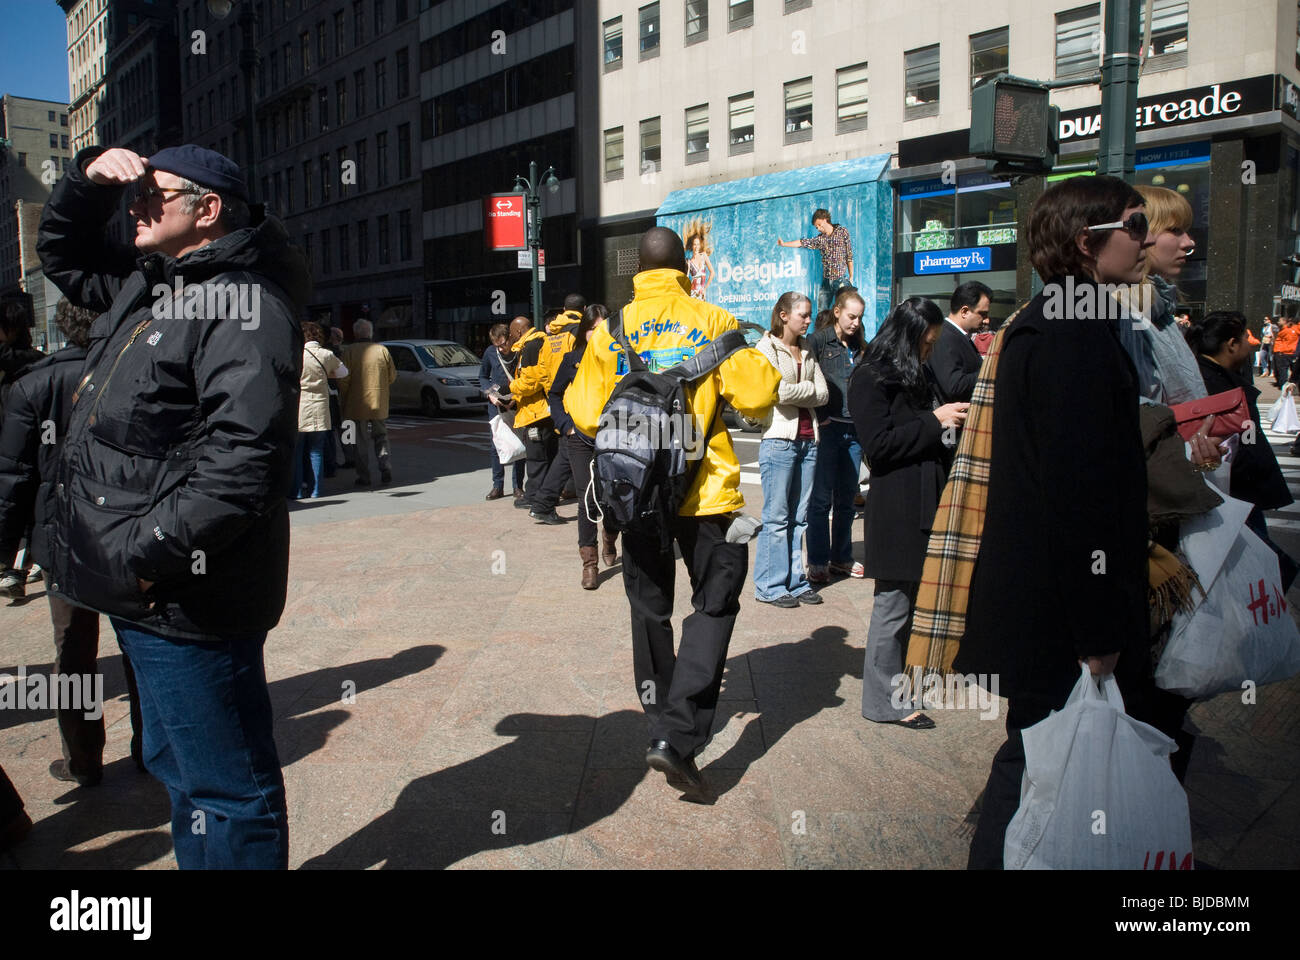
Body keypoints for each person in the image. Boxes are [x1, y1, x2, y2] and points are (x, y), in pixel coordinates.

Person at [36, 142, 308, 868]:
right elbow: (61, 256)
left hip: (185, 597)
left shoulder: (245, 305)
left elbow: (241, 470)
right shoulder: (153, 282)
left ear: (207, 209)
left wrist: (140, 558)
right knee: (176, 769)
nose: (138, 205)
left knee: (228, 788)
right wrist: (87, 181)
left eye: (155, 194)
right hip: (144, 596)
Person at [955, 175, 1157, 868]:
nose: (1149, 238)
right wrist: (1099, 629)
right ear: (1085, 240)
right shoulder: (1072, 330)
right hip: (1063, 608)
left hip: (1050, 600)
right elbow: (1079, 493)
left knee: (1037, 753)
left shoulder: (1065, 319)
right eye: (1136, 223)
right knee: (1037, 757)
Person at [567, 226, 781, 798]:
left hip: (636, 494)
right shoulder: (713, 319)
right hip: (705, 491)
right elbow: (760, 397)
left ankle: (661, 723)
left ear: (638, 268)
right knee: (714, 604)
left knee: (648, 609)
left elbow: (584, 411)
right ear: (686, 267)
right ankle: (679, 734)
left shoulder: (610, 328)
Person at [0, 298, 145, 785]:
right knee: (139, 646)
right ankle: (152, 748)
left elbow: (14, 477)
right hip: (124, 531)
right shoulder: (133, 371)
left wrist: (7, 554)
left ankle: (84, 761)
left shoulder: (33, 384)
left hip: (61, 537)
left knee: (73, 653)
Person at [849, 297, 967, 731]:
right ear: (909, 336)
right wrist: (935, 421)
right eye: (927, 342)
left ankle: (899, 690)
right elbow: (878, 446)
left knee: (910, 601)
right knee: (893, 603)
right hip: (897, 503)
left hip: (924, 496)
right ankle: (882, 701)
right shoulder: (870, 376)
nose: (929, 350)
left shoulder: (913, 372)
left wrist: (945, 425)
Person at [1193, 312, 1294, 578]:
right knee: (1266, 569)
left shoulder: (1210, 376)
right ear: (1231, 344)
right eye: (1245, 339)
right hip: (1236, 493)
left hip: (1238, 490)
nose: (1251, 345)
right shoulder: (1214, 384)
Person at [753, 291, 828, 608]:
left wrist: (803, 392)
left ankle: (796, 582)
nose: (809, 321)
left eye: (810, 315)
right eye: (803, 315)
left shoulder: (808, 348)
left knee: (800, 518)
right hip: (779, 440)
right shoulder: (765, 347)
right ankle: (770, 585)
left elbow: (823, 394)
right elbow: (776, 392)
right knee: (777, 518)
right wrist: (807, 391)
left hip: (808, 440)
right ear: (783, 315)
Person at [553, 304, 620, 588]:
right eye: (592, 328)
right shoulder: (572, 358)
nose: (597, 333)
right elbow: (554, 394)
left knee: (613, 495)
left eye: (602, 327)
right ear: (584, 332)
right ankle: (589, 562)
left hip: (614, 437)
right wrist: (566, 424)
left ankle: (610, 536)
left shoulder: (619, 357)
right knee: (587, 498)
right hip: (579, 437)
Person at [807, 289, 868, 583]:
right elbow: (806, 378)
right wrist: (822, 418)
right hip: (829, 429)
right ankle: (818, 560)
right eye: (851, 316)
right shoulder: (819, 341)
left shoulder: (859, 346)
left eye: (859, 317)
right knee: (820, 499)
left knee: (846, 499)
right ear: (837, 312)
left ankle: (841, 557)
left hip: (854, 429)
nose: (855, 323)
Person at [509, 302, 579, 512]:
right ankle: (545, 494)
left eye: (512, 332)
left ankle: (536, 496)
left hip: (536, 412)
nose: (511, 335)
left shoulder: (531, 346)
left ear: (519, 330)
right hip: (546, 409)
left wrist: (510, 387)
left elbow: (532, 380)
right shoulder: (541, 342)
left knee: (537, 457)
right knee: (549, 455)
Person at [528, 295, 587, 523]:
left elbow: (542, 370)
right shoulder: (579, 332)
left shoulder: (551, 334)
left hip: (557, 400)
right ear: (583, 308)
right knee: (567, 455)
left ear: (563, 308)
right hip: (575, 400)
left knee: (565, 454)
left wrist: (551, 394)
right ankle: (543, 503)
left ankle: (543, 503)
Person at [292, 320, 347, 499]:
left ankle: (298, 490)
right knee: (316, 451)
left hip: (300, 406)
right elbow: (343, 372)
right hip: (320, 407)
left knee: (297, 451)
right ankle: (316, 490)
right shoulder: (326, 354)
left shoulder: (296, 354)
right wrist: (327, 373)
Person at [339, 318, 396, 487]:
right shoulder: (382, 350)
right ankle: (385, 466)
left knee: (359, 440)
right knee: (381, 436)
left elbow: (343, 379)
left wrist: (346, 396)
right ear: (370, 333)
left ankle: (364, 476)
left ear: (356, 333)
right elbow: (392, 375)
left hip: (356, 403)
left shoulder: (349, 351)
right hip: (378, 400)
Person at [480, 321, 525, 501]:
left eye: (503, 344)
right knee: (497, 444)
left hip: (516, 401)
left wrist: (516, 398)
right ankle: (497, 485)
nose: (501, 348)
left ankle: (518, 486)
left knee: (519, 445)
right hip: (496, 403)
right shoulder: (490, 353)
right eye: (497, 345)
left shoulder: (519, 351)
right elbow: (483, 376)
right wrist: (490, 395)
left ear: (510, 338)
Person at [927, 280, 991, 405]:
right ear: (965, 311)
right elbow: (954, 386)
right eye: (982, 314)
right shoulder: (943, 337)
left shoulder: (960, 336)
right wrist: (990, 370)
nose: (986, 320)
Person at [777, 208, 854, 311]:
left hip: (840, 278)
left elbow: (849, 254)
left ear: (825, 219)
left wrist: (851, 275)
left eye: (819, 225)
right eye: (816, 227)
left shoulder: (842, 231)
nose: (818, 228)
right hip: (826, 281)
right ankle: (824, 327)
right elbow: (802, 242)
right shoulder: (820, 239)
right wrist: (784, 244)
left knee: (846, 308)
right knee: (822, 311)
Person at [684, 223, 714, 300]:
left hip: (702, 293)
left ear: (700, 245)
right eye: (694, 244)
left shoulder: (704, 256)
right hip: (693, 293)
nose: (696, 247)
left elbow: (712, 273)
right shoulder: (689, 262)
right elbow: (686, 279)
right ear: (692, 246)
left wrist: (705, 288)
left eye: (698, 244)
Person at [1274, 317, 1298, 389]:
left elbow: (1279, 342)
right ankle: (1293, 384)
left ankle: (1284, 385)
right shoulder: (1294, 329)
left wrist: (1278, 351)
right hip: (1292, 352)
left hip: (1285, 352)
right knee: (1294, 370)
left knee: (1283, 370)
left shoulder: (1285, 330)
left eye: (1279, 321)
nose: (1278, 322)